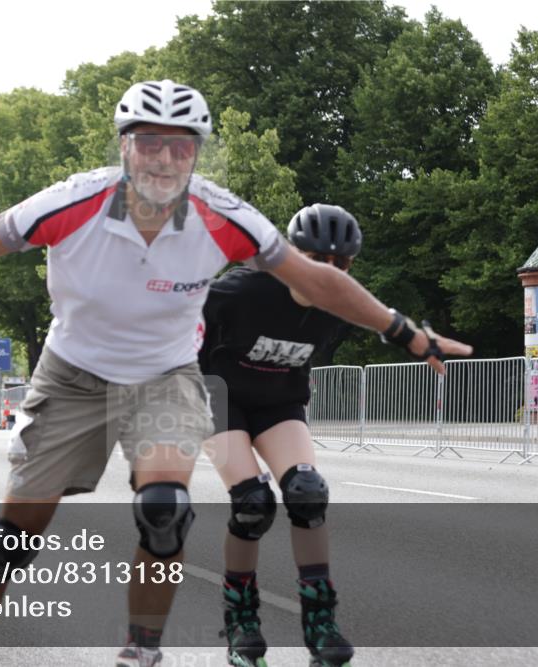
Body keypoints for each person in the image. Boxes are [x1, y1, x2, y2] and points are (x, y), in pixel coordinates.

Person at [0, 79, 471, 667]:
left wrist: (405, 332)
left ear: (197, 153)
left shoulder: (226, 217)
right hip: (72, 374)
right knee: (12, 538)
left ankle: (140, 653)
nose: (164, 157)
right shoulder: (70, 203)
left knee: (164, 511)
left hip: (165, 377)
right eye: (149, 141)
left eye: (181, 144)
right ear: (125, 146)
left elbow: (318, 281)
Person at [200, 204, 382, 667]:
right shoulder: (240, 291)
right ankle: (241, 619)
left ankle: (320, 622)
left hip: (279, 400)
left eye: (339, 265)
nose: (327, 272)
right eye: (315, 259)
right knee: (252, 504)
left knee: (307, 495)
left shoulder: (340, 306)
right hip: (220, 398)